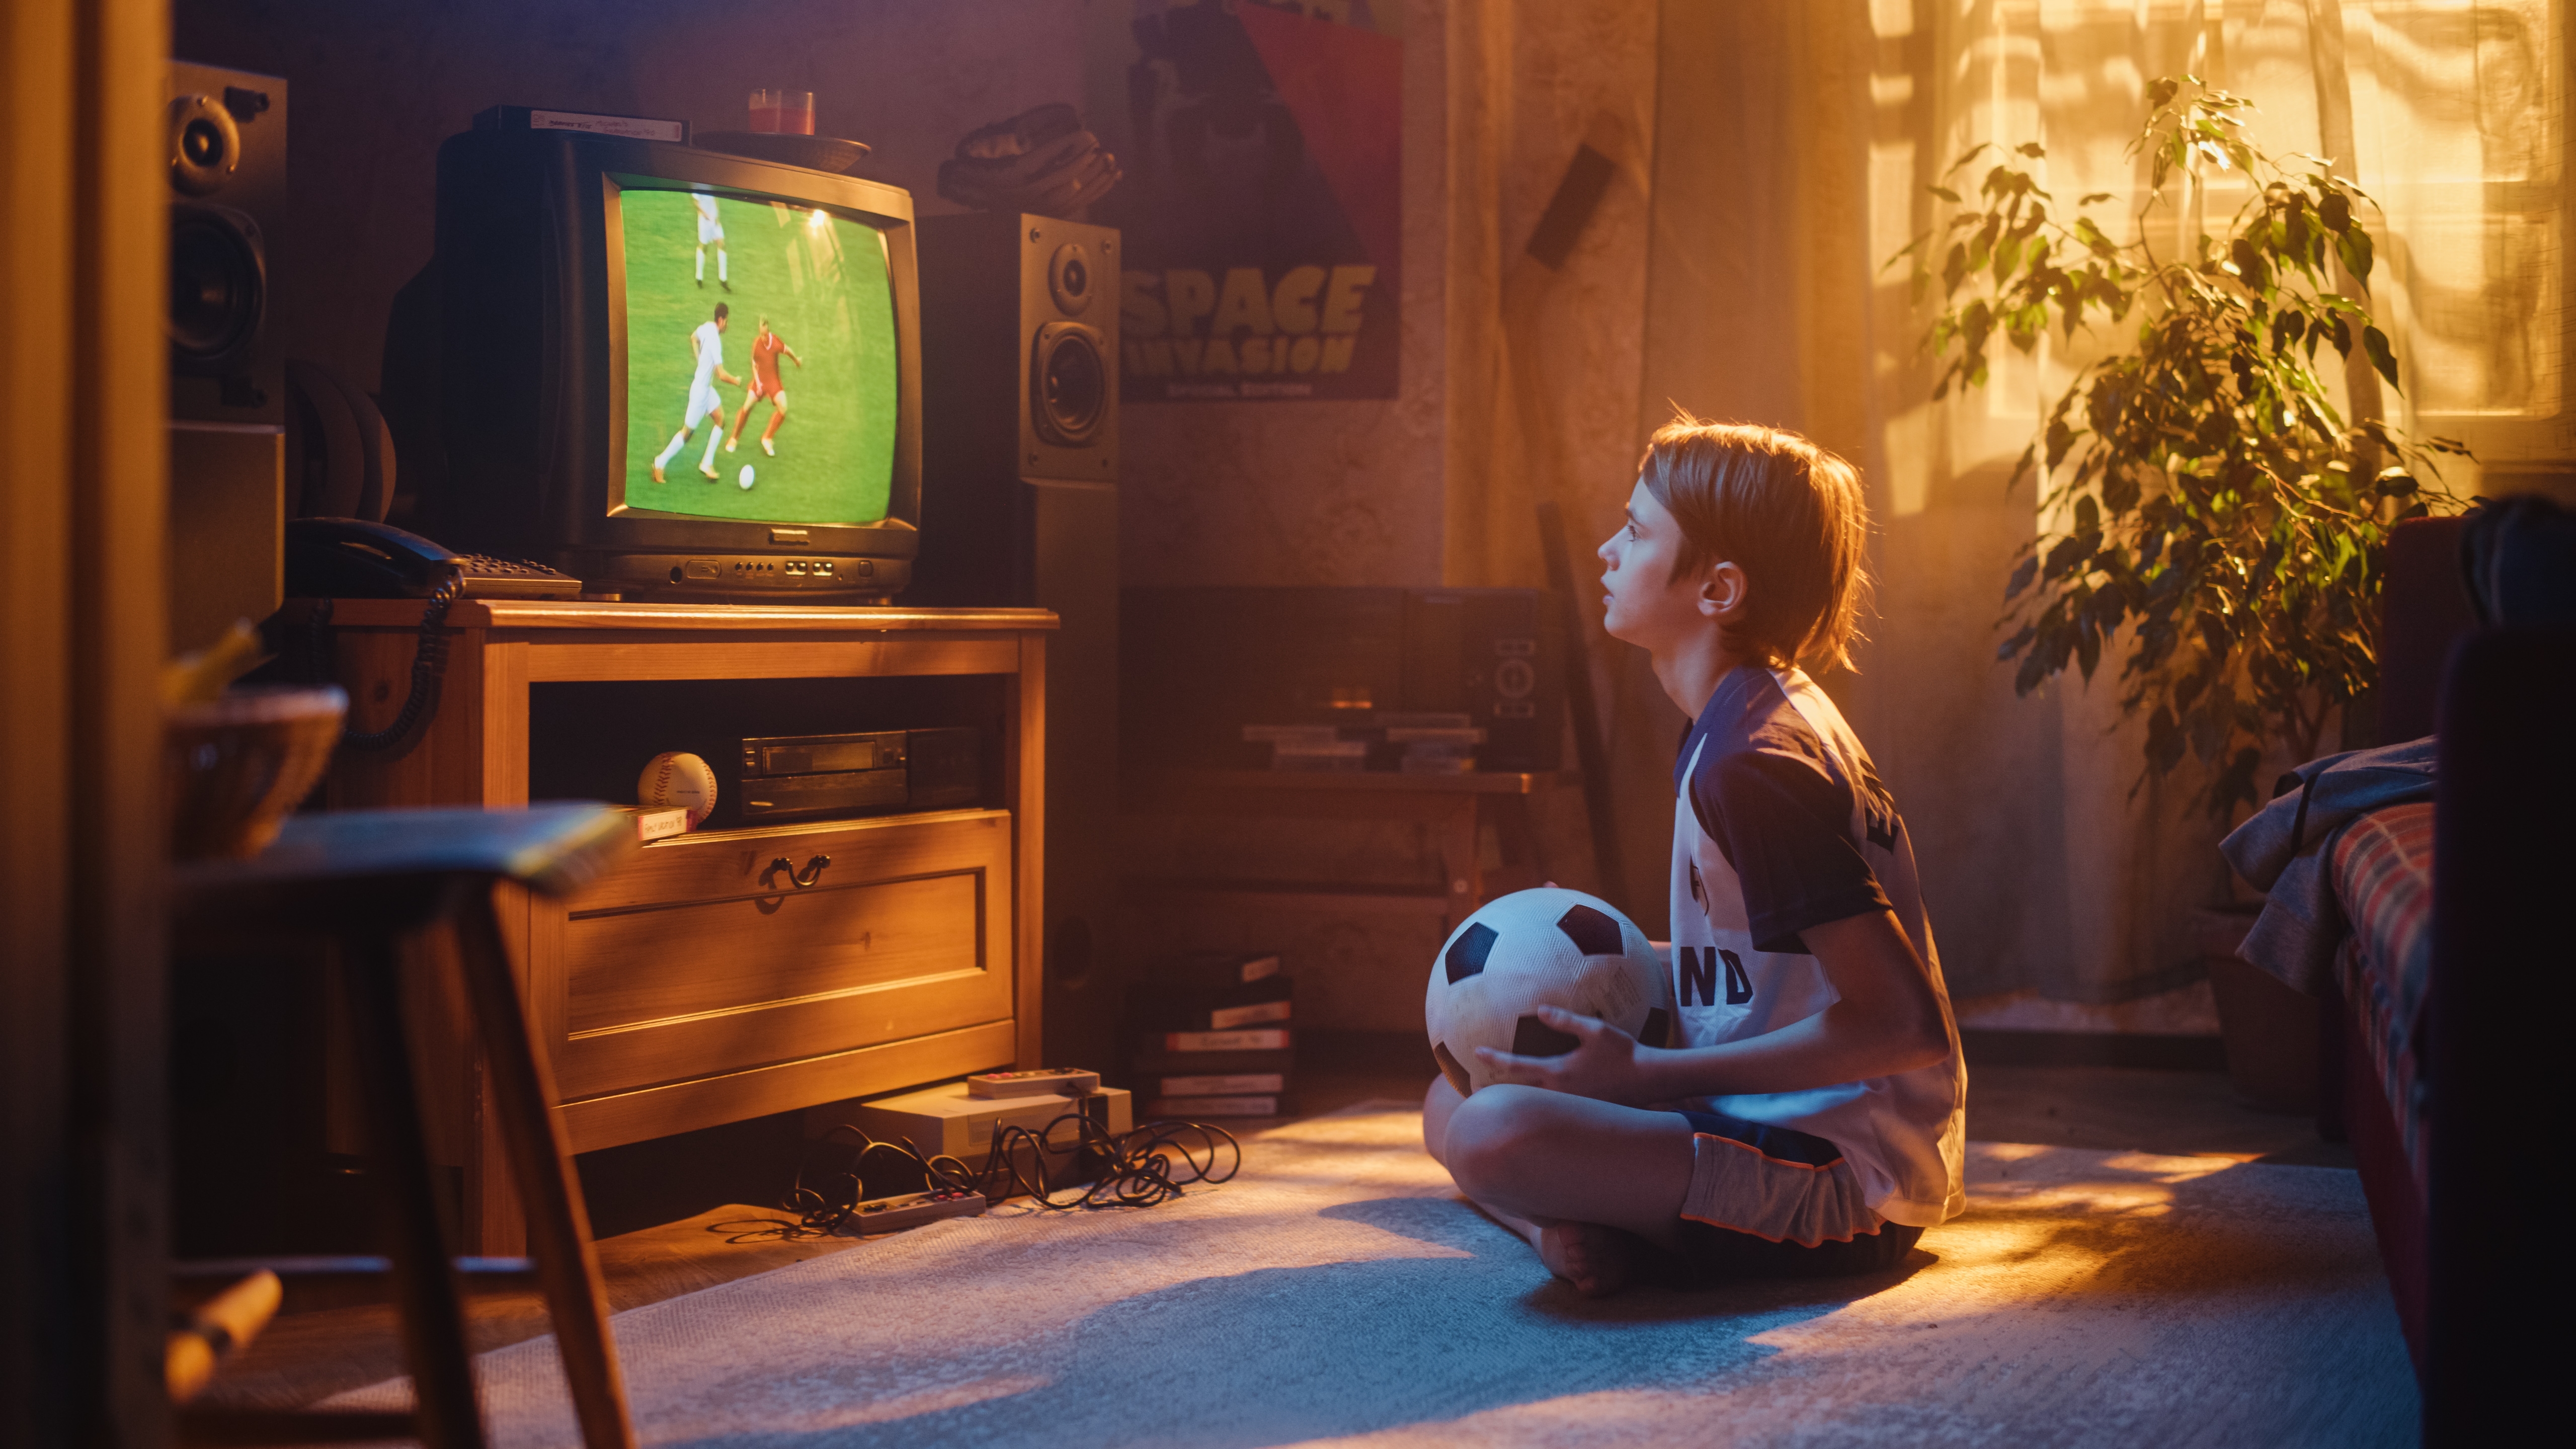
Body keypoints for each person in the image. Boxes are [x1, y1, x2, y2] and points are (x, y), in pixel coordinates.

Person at [1424, 415, 1965, 1297]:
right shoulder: (1746, 716)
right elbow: (1776, 964)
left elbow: (1902, 1026)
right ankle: (1556, 1230)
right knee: (1451, 1093)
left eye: (1636, 533)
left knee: (1491, 1133)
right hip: (1763, 1115)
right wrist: (1590, 961)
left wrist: (1650, 1076)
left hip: (1838, 1181)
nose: (1607, 549)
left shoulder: (1756, 766)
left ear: (1718, 589)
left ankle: (1562, 1222)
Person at [650, 303, 742, 484]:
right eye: (727, 321)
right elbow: (721, 374)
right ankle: (659, 463)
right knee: (687, 434)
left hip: (707, 390)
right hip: (700, 393)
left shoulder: (707, 327)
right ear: (721, 320)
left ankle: (707, 463)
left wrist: (699, 359)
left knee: (721, 421)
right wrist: (737, 381)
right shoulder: (715, 341)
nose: (728, 325)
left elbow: (693, 338)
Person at [726, 317, 804, 458]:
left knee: (784, 408)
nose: (762, 337)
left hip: (773, 381)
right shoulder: (757, 343)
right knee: (747, 406)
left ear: (768, 330)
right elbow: (754, 364)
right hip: (760, 381)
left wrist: (796, 360)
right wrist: (758, 382)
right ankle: (734, 439)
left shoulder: (775, 342)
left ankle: (767, 438)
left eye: (764, 334)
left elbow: (787, 350)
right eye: (760, 334)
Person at [693, 192, 729, 291]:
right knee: (704, 246)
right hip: (704, 222)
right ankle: (699, 277)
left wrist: (717, 217)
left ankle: (723, 280)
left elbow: (715, 199)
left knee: (722, 245)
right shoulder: (697, 184)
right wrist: (706, 215)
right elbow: (696, 203)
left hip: (714, 220)